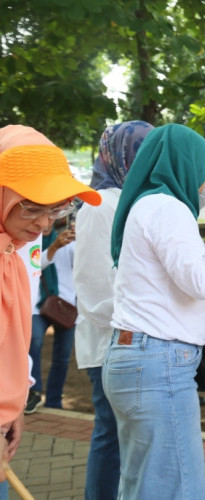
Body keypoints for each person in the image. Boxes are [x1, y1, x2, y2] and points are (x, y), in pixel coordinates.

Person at [102, 123, 205, 498]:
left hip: (143, 361)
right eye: (203, 170)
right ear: (182, 164)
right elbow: (201, 281)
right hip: (157, 366)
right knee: (176, 489)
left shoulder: (149, 205)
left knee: (148, 487)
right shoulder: (165, 207)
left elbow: (190, 298)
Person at [0, 124, 100, 497]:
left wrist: (16, 402)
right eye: (33, 208)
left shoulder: (17, 245)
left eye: (57, 209)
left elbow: (16, 331)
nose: (44, 223)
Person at [72, 120, 154, 500]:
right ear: (122, 155)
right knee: (110, 433)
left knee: (127, 438)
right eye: (142, 151)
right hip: (110, 340)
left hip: (130, 337)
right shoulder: (99, 204)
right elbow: (92, 291)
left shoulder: (131, 200)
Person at [26, 223, 77, 413]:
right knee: (34, 341)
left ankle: (54, 400)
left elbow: (84, 264)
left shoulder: (70, 241)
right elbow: (35, 264)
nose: (46, 224)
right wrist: (54, 246)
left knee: (62, 357)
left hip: (66, 305)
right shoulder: (31, 241)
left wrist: (82, 240)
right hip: (38, 305)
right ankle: (34, 392)